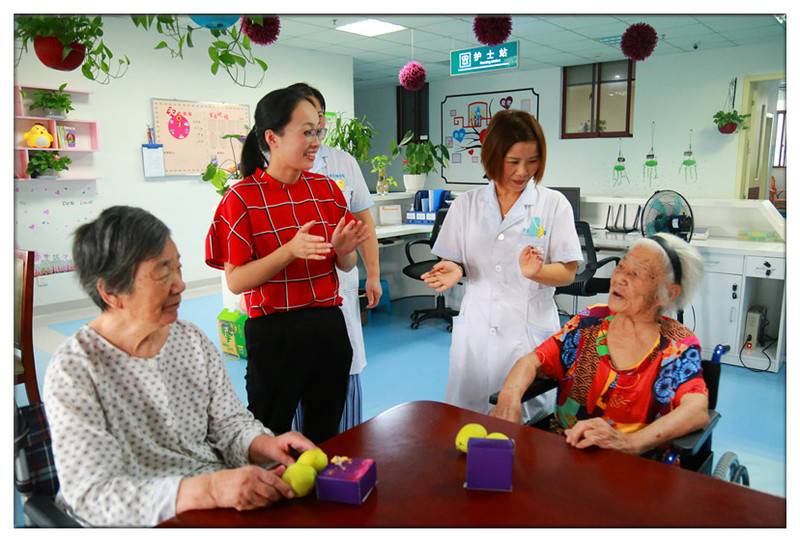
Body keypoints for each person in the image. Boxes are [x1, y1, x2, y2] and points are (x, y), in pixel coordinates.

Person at [43, 206, 318, 527]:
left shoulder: (190, 340)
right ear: (111, 292)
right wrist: (209, 490)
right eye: (162, 274)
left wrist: (265, 445)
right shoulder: (75, 370)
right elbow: (93, 495)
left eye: (178, 268)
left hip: (213, 502)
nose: (180, 285)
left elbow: (230, 425)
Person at [205, 86, 370, 445]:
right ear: (272, 137)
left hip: (328, 327)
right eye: (306, 132)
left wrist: (344, 251)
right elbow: (236, 281)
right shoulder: (241, 198)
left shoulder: (326, 190)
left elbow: (345, 264)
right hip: (275, 334)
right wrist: (289, 250)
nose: (316, 142)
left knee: (326, 434)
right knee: (270, 434)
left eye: (318, 132)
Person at [421, 109, 582, 421]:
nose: (523, 171)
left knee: (525, 429)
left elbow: (568, 271)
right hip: (476, 331)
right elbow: (453, 259)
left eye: (532, 161)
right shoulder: (466, 205)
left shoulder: (552, 204)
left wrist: (538, 272)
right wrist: (454, 269)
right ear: (493, 157)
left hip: (527, 333)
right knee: (467, 425)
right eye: (513, 162)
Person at [490, 233, 709, 458]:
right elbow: (532, 362)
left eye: (636, 274)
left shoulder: (677, 345)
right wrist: (510, 397)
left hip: (634, 463)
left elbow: (697, 410)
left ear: (668, 294)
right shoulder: (590, 322)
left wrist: (628, 442)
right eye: (621, 267)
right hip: (567, 451)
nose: (620, 278)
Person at [286, 82, 380, 432]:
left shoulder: (342, 162)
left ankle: (346, 443)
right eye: (306, 118)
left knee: (344, 361)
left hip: (340, 278)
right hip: (295, 287)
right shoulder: (274, 165)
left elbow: (363, 222)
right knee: (298, 374)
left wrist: (373, 274)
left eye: (319, 116)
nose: (316, 125)